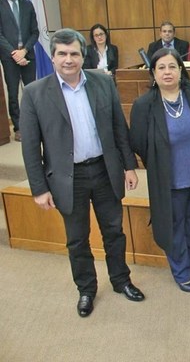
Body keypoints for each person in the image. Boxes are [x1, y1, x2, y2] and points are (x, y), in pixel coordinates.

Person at [20, 28, 145, 318]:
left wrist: (129, 165)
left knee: (114, 231)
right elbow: (30, 146)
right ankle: (86, 289)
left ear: (82, 55)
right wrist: (38, 188)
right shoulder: (35, 93)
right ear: (52, 58)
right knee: (77, 238)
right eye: (62, 54)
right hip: (67, 178)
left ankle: (121, 280)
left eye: (74, 53)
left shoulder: (103, 83)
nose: (68, 59)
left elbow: (118, 128)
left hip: (104, 171)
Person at [129, 48, 190, 293]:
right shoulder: (144, 105)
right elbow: (139, 142)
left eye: (172, 67)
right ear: (153, 73)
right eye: (161, 68)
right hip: (168, 178)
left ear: (181, 70)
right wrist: (159, 162)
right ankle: (181, 270)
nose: (167, 72)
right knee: (174, 226)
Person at [0, 0, 39, 142]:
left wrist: (24, 51)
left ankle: (35, 123)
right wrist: (14, 53)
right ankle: (18, 127)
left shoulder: (27, 5)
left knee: (32, 91)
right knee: (13, 93)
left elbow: (35, 32)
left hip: (28, 54)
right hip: (9, 58)